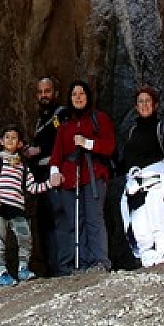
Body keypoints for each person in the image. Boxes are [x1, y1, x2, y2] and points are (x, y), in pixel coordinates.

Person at [47, 79, 116, 273]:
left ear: (88, 96)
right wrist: (54, 172)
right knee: (76, 220)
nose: (78, 98)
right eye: (74, 94)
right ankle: (82, 263)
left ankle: (99, 261)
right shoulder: (65, 125)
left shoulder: (99, 119)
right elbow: (56, 153)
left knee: (94, 218)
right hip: (70, 178)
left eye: (81, 93)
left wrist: (88, 143)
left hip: (93, 174)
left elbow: (109, 146)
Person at [116, 84, 164, 266]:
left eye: (148, 101)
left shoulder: (163, 129)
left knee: (158, 224)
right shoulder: (132, 132)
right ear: (136, 106)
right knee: (140, 230)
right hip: (135, 186)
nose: (144, 105)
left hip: (157, 183)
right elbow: (126, 161)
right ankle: (148, 265)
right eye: (141, 102)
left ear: (155, 105)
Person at [0, 124, 47, 284]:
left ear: (20, 143)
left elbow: (32, 187)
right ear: (1, 141)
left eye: (14, 138)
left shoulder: (23, 166)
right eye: (7, 137)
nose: (10, 140)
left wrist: (49, 184)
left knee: (25, 237)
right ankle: (2, 273)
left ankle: (23, 269)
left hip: (17, 207)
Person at [26, 77, 67, 276]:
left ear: (55, 93)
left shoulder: (61, 115)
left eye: (47, 91)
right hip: (41, 176)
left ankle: (62, 267)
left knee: (58, 218)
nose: (44, 95)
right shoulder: (40, 120)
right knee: (44, 221)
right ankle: (50, 268)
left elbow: (62, 140)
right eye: (40, 92)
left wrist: (40, 149)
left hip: (55, 173)